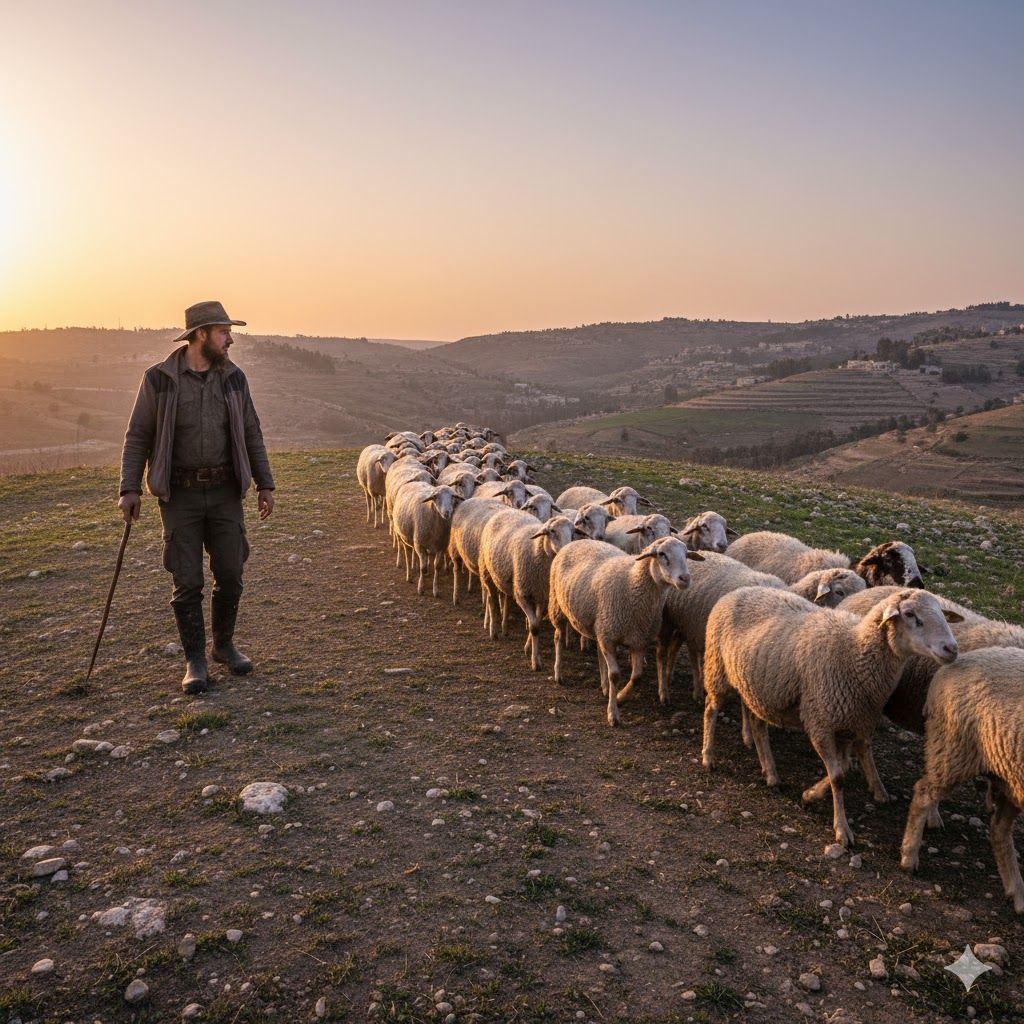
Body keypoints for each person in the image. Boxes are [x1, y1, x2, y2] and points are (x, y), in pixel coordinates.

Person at [118, 300, 275, 694]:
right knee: (187, 582)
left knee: (231, 574)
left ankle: (223, 646)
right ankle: (195, 660)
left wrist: (265, 484)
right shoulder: (159, 379)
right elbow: (138, 435)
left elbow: (252, 432)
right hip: (180, 495)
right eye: (224, 332)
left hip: (224, 491)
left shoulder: (234, 379)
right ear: (201, 334)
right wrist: (129, 488)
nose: (231, 339)